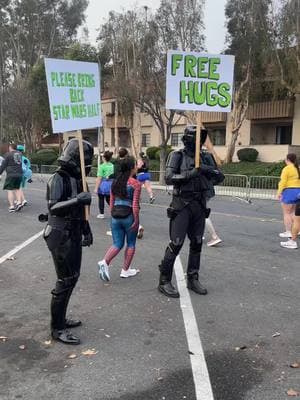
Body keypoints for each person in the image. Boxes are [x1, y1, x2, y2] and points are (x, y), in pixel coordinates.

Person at [158, 126, 224, 298]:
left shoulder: (206, 157)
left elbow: (219, 176)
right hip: (181, 204)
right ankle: (164, 280)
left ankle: (192, 278)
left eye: (200, 139)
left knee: (196, 243)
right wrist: (190, 174)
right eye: (196, 138)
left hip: (199, 205)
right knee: (176, 243)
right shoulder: (177, 155)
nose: (198, 142)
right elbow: (169, 177)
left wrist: (205, 169)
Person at [42, 139, 94, 345]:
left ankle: (61, 318)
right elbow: (53, 206)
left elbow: (83, 211)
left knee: (72, 277)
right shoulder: (58, 178)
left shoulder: (79, 179)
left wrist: (86, 229)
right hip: (59, 233)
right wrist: (77, 200)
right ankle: (57, 328)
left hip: (73, 232)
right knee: (64, 281)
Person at [97, 157, 142, 280]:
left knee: (117, 244)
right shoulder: (135, 184)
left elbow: (111, 201)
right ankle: (125, 270)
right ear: (132, 168)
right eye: (135, 165)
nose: (136, 167)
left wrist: (112, 214)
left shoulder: (115, 182)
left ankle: (105, 262)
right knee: (131, 243)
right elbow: (135, 205)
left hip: (115, 215)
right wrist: (136, 220)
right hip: (129, 216)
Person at [201, 148, 222, 247]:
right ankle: (199, 234)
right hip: (208, 187)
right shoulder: (207, 155)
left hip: (202, 189)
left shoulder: (199, 158)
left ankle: (214, 236)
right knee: (198, 213)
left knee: (202, 214)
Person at [277, 153, 300, 238]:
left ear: (287, 160)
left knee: (287, 213)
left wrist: (279, 192)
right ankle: (297, 230)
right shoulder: (298, 168)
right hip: (298, 191)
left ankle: (288, 231)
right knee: (295, 213)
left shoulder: (287, 169)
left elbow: (283, 182)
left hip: (289, 191)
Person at [0, 143, 23, 212]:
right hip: (19, 174)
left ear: (10, 147)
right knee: (17, 188)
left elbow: (3, 165)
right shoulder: (20, 154)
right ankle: (19, 202)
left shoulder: (8, 154)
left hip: (11, 174)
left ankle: (12, 206)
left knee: (10, 190)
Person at [94, 151, 114, 218]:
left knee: (101, 198)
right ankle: (114, 211)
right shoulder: (113, 166)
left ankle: (101, 214)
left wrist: (96, 188)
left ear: (104, 158)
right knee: (109, 199)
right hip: (111, 184)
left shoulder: (102, 166)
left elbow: (99, 178)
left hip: (103, 184)